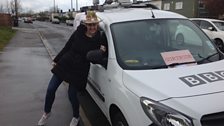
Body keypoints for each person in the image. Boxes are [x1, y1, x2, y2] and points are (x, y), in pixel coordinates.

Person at [37, 11, 107, 126]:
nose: (92, 27)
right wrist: (56, 59)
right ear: (86, 24)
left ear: (97, 25)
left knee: (72, 95)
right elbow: (67, 46)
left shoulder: (99, 38)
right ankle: (46, 113)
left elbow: (95, 58)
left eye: (94, 24)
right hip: (66, 63)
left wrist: (100, 52)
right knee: (50, 89)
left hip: (80, 70)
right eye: (90, 24)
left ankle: (75, 116)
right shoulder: (78, 32)